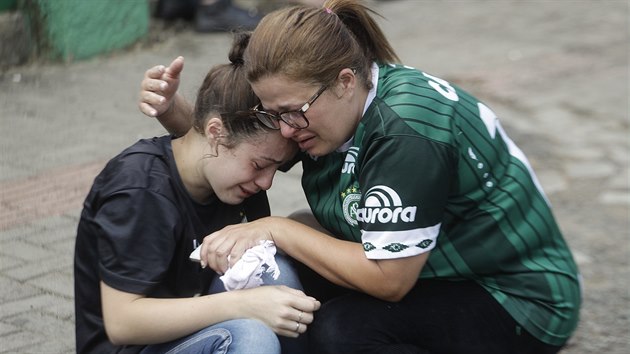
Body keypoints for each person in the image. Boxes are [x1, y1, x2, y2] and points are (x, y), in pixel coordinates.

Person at [138, 1, 582, 353]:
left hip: (518, 299)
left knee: (343, 332)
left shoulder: (404, 134)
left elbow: (389, 281)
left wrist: (276, 228)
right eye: (273, 114)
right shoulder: (320, 108)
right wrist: (173, 113)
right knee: (268, 268)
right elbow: (243, 151)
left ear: (345, 81)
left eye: (292, 113)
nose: (287, 130)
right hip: (437, 272)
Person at [74, 33, 320, 354]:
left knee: (276, 272)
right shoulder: (140, 188)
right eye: (260, 165)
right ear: (216, 133)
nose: (267, 183)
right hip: (134, 346)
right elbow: (122, 322)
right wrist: (244, 304)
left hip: (192, 332)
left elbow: (201, 134)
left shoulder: (228, 174)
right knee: (250, 337)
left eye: (277, 168)